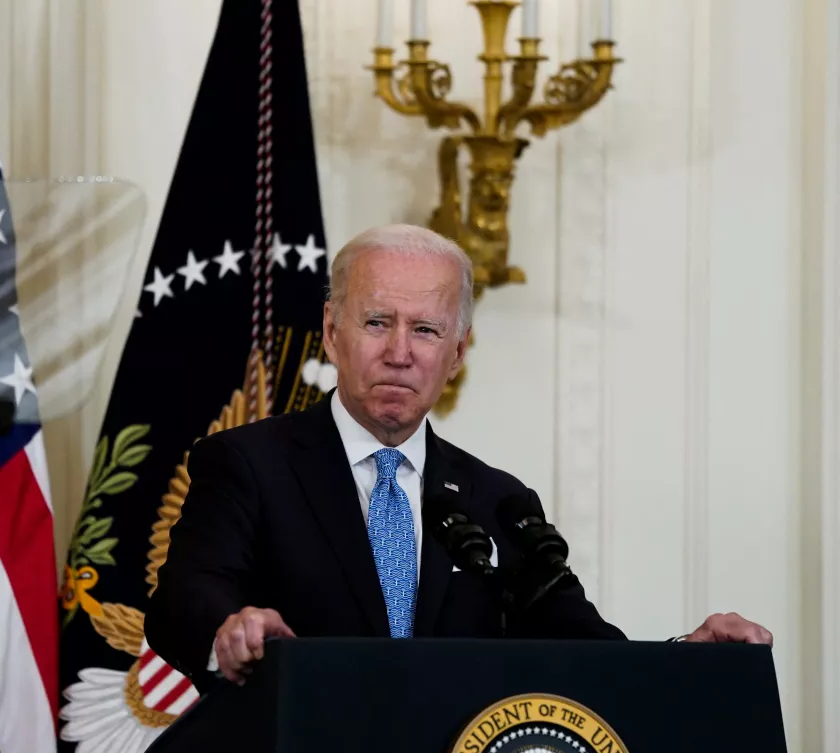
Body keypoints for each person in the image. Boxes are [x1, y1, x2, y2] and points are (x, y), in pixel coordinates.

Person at [144, 223, 772, 688]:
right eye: (376, 322)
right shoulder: (248, 463)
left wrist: (686, 654)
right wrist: (229, 630)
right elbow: (182, 599)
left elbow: (580, 646)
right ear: (332, 331)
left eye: (425, 330)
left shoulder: (497, 500)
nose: (399, 351)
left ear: (459, 352)